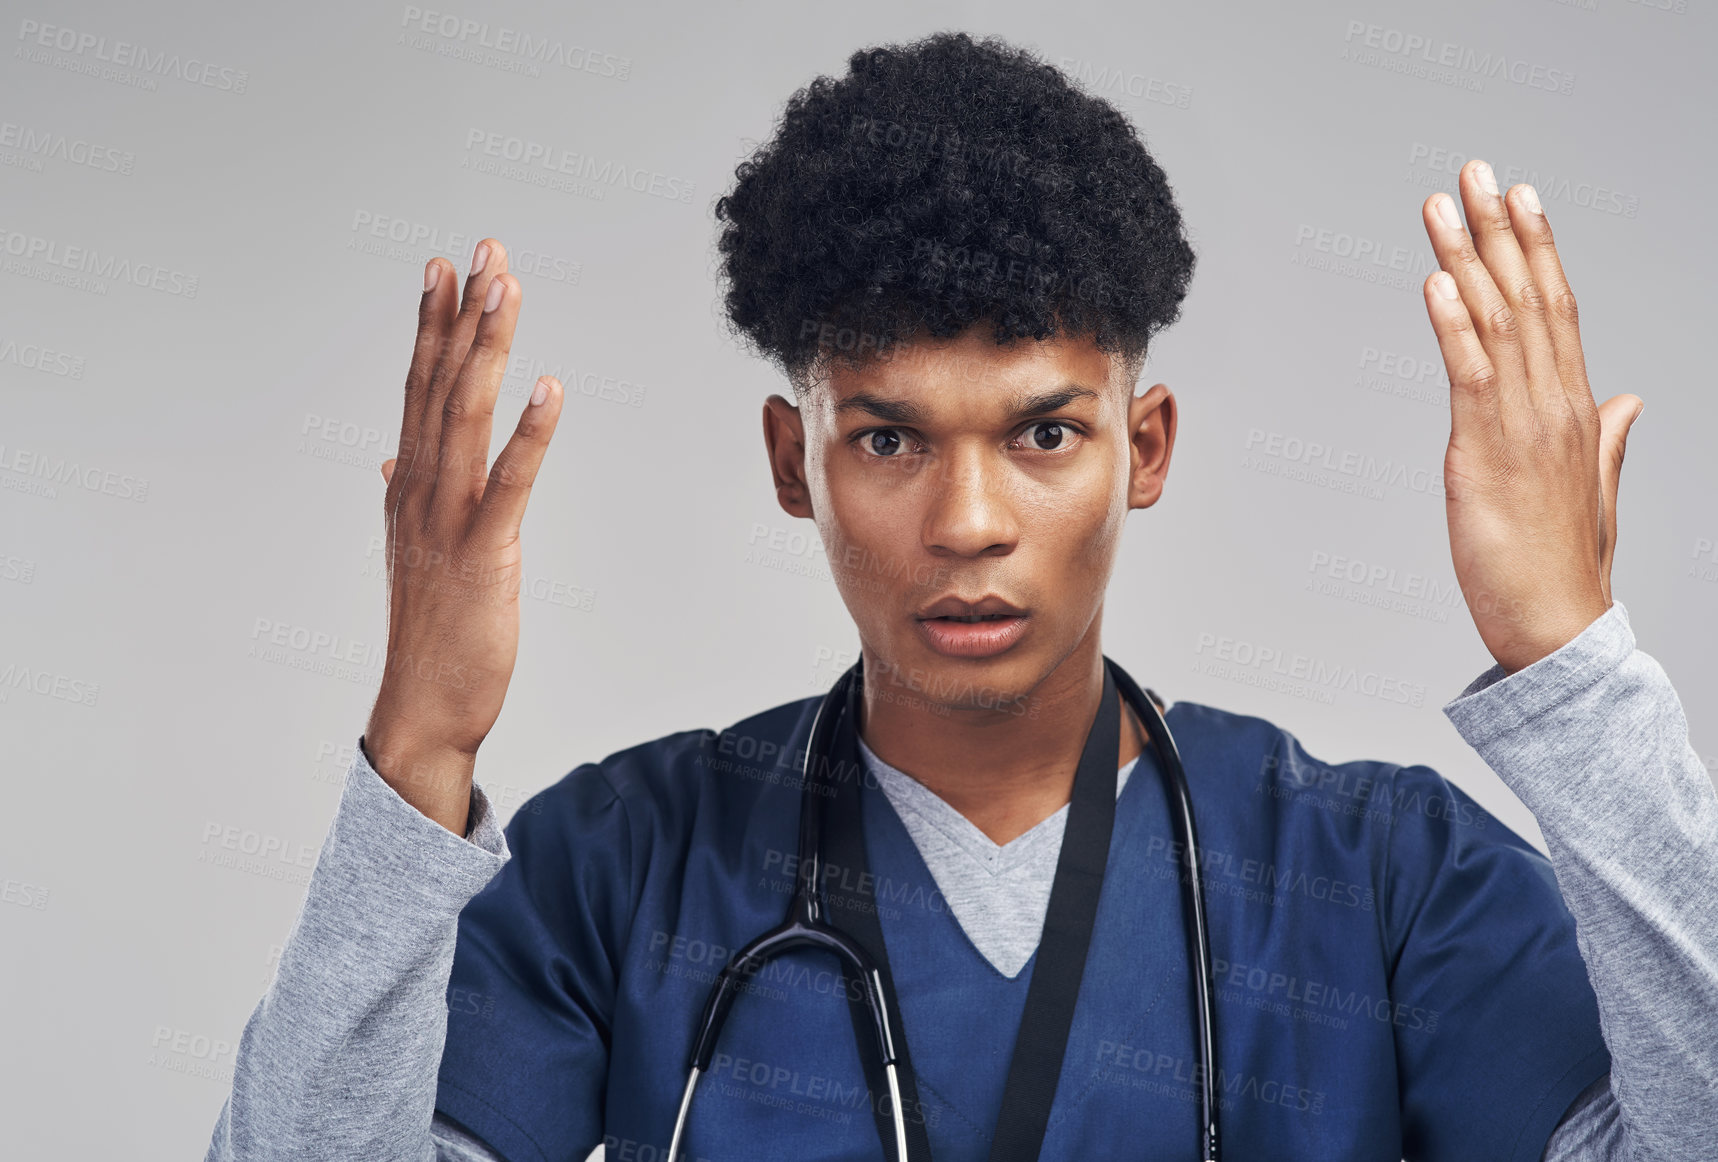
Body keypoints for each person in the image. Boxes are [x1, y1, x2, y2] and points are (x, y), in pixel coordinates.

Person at [203, 30, 1716, 1162]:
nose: (968, 521)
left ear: (1146, 447)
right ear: (794, 463)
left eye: (1043, 432)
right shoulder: (619, 871)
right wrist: (418, 750)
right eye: (888, 438)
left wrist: (1567, 663)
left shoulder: (1384, 877)